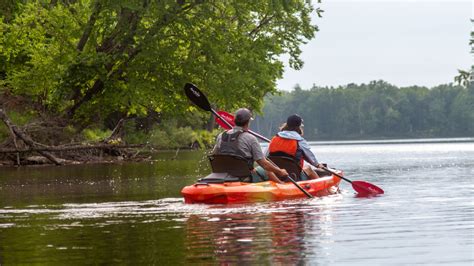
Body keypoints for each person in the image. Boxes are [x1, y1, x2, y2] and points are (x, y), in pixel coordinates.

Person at [212, 108, 288, 183]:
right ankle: (281, 186)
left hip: (223, 175)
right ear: (248, 122)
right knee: (267, 170)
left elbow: (215, 155)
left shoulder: (221, 136)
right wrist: (280, 171)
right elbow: (264, 164)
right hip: (243, 177)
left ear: (234, 121)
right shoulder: (251, 138)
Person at [267, 114, 324, 181]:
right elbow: (309, 156)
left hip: (276, 173)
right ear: (299, 127)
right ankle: (322, 187)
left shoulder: (275, 138)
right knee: (308, 168)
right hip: (293, 174)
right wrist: (317, 165)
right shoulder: (299, 140)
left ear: (287, 124)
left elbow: (265, 157)